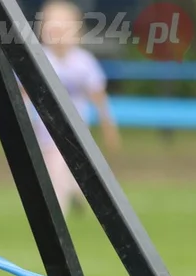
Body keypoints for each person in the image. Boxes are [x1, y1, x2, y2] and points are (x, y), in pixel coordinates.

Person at [30, 0, 121, 215]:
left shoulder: (83, 62)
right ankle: (74, 195)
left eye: (64, 27)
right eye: (52, 26)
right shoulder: (37, 59)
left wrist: (108, 127)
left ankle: (57, 211)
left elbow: (98, 96)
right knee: (57, 166)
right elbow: (23, 93)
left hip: (76, 128)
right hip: (44, 130)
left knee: (60, 167)